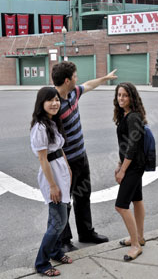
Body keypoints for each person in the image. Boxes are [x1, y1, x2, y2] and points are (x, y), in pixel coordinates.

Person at [51, 61, 117, 252]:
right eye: (75, 76)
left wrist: (105, 78)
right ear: (67, 80)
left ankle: (86, 232)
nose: (77, 79)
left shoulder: (74, 93)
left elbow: (88, 85)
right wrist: (64, 165)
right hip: (66, 162)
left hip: (81, 156)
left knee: (83, 196)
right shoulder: (54, 104)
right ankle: (64, 241)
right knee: (65, 201)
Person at [30, 87, 73, 276]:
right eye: (50, 100)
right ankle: (41, 262)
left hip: (60, 172)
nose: (55, 103)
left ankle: (55, 251)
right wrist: (53, 185)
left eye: (57, 99)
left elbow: (59, 149)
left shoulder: (52, 122)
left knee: (56, 219)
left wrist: (68, 167)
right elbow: (43, 159)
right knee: (59, 222)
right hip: (51, 176)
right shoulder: (39, 127)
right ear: (42, 103)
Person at [113, 82, 147, 261]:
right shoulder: (125, 115)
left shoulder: (133, 117)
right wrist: (119, 163)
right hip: (133, 164)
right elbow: (126, 145)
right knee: (137, 199)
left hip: (133, 166)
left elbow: (132, 147)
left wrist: (122, 170)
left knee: (121, 205)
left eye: (125, 95)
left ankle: (135, 245)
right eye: (119, 95)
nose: (121, 98)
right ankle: (139, 237)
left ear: (132, 97)